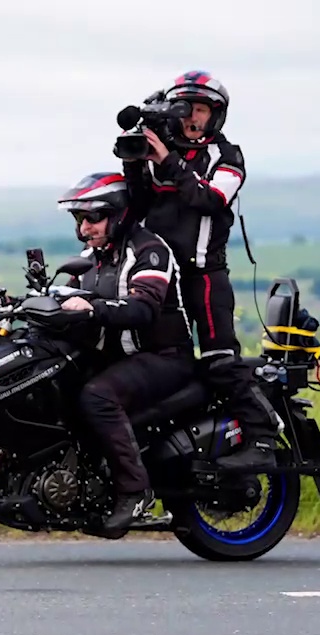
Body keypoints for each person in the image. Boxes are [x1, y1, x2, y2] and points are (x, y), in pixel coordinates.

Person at [120, 69, 279, 472]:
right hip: (160, 278)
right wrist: (135, 163)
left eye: (201, 109)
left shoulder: (227, 156)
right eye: (184, 107)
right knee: (157, 362)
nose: (191, 116)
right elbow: (138, 205)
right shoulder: (158, 151)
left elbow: (209, 199)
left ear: (216, 115)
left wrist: (168, 161)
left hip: (205, 275)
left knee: (219, 361)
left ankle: (263, 437)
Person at [56, 171, 197, 535]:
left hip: (164, 356)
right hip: (119, 357)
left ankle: (135, 491)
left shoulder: (149, 251)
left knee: (98, 396)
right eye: (79, 219)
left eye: (93, 217)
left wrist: (93, 308)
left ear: (118, 213)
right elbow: (66, 296)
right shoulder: (93, 257)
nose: (84, 228)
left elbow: (143, 308)